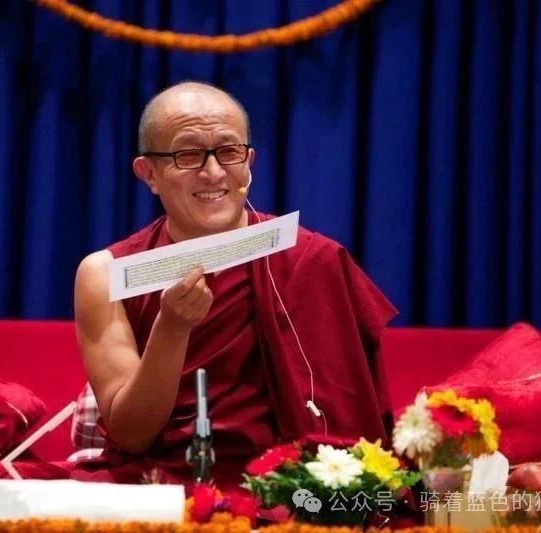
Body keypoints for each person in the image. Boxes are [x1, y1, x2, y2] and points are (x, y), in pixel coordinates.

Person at [72, 81, 396, 490]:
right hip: (159, 487)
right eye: (188, 155)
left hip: (287, 489)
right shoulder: (108, 273)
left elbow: (350, 419)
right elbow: (131, 433)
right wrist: (172, 329)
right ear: (149, 173)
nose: (213, 172)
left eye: (228, 152)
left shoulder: (311, 259)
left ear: (249, 161)